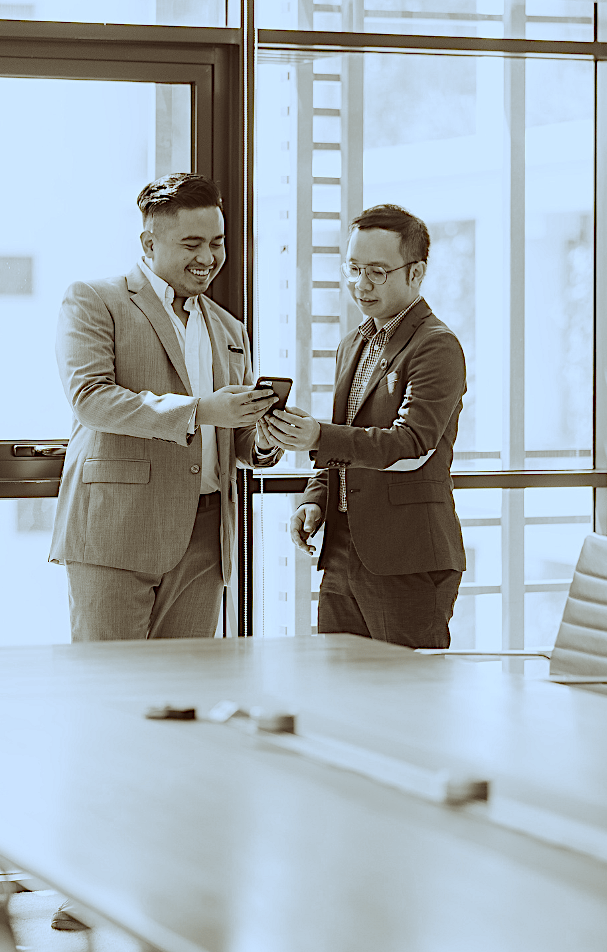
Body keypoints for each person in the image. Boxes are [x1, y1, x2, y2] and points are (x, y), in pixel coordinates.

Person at [48, 173, 280, 644]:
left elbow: (233, 439)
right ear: (149, 243)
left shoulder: (230, 329)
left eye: (217, 243)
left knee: (186, 682)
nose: (207, 258)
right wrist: (200, 411)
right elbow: (91, 399)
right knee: (111, 680)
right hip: (117, 528)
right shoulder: (94, 300)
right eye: (192, 244)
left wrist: (263, 438)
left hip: (207, 535)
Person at [264, 204, 466, 648]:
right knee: (338, 683)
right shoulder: (353, 343)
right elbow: (346, 437)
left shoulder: (436, 346)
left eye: (377, 271)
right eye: (353, 269)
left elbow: (412, 443)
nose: (361, 284)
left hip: (407, 557)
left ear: (416, 273)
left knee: (407, 686)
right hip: (342, 550)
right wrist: (315, 499)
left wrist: (318, 435)